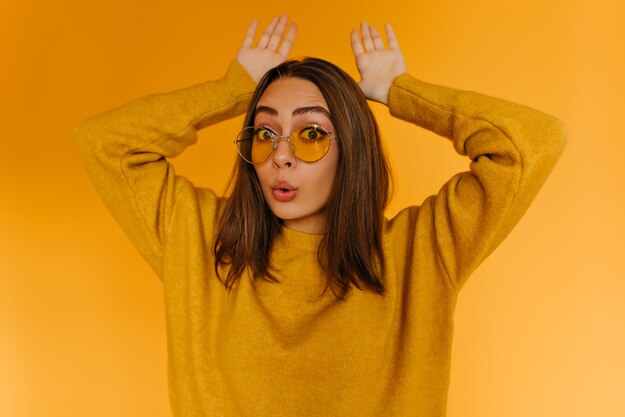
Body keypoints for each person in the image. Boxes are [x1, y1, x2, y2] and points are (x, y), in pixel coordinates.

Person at [73, 14, 566, 417]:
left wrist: (400, 92)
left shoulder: (420, 251)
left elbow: (530, 144)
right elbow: (105, 144)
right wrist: (232, 91)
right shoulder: (199, 239)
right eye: (265, 134)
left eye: (311, 134)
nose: (280, 157)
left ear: (352, 150)